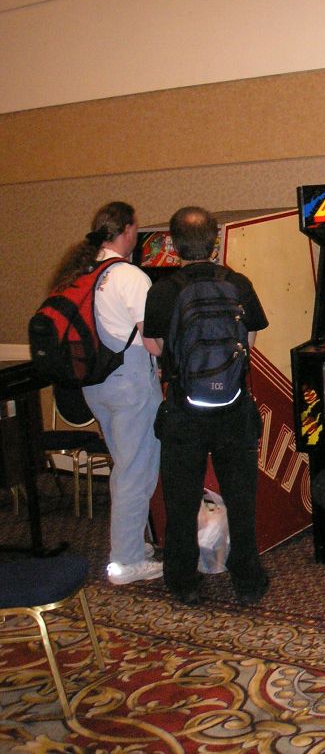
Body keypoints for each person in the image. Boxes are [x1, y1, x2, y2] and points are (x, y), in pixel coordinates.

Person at [143, 206, 269, 606]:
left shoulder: (163, 290)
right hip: (233, 407)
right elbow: (249, 343)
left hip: (185, 410)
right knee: (241, 498)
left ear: (174, 243)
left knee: (181, 501)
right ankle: (247, 580)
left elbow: (154, 346)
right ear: (214, 240)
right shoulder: (238, 282)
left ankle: (183, 581)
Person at [49, 201, 164, 586]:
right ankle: (126, 561)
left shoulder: (82, 271)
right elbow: (153, 342)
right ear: (127, 230)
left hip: (96, 382)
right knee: (136, 471)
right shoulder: (129, 275)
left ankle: (131, 544)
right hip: (130, 381)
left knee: (124, 467)